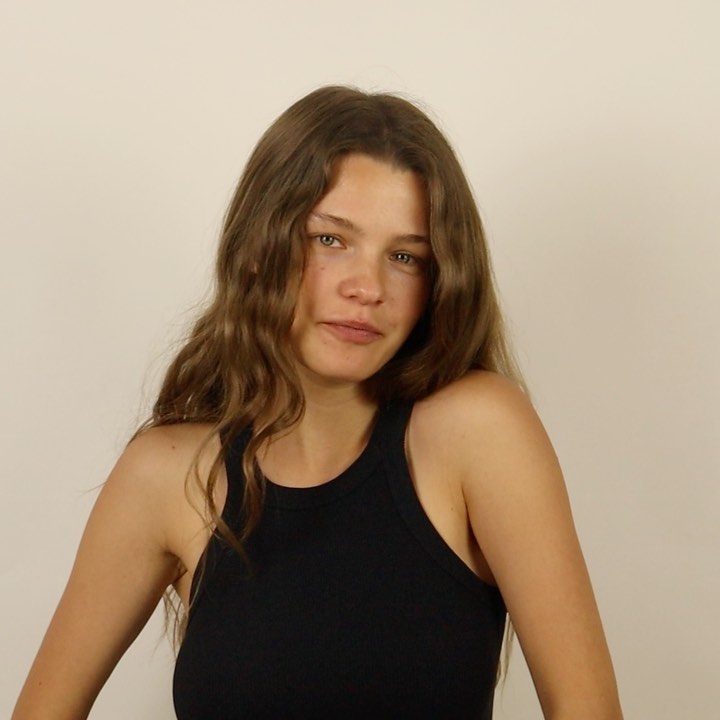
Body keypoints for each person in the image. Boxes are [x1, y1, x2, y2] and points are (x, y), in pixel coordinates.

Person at [13, 86, 623, 719]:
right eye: (330, 240)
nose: (367, 287)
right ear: (259, 247)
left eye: (405, 256)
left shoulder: (477, 431)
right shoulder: (166, 474)